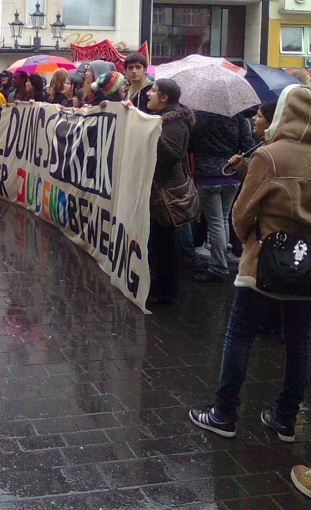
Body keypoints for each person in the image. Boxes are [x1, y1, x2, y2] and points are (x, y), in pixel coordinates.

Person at [189, 84, 311, 442]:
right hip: (306, 263)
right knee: (300, 342)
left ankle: (224, 414)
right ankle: (285, 418)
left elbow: (241, 213)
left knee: (239, 335)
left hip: (264, 260)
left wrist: (249, 241)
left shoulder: (270, 155)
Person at [127, 79, 195, 304]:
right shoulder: (164, 119)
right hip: (159, 190)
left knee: (165, 244)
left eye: (153, 91)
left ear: (164, 97)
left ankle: (165, 293)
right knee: (158, 242)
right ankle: (158, 286)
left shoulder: (174, 122)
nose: (148, 95)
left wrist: (153, 130)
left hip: (167, 193)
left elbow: (171, 156)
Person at [190, 111, 255, 283]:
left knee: (216, 222)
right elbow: (248, 144)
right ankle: (221, 259)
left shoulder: (199, 116)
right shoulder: (238, 117)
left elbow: (190, 145)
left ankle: (218, 267)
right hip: (231, 173)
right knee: (223, 219)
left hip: (207, 175)